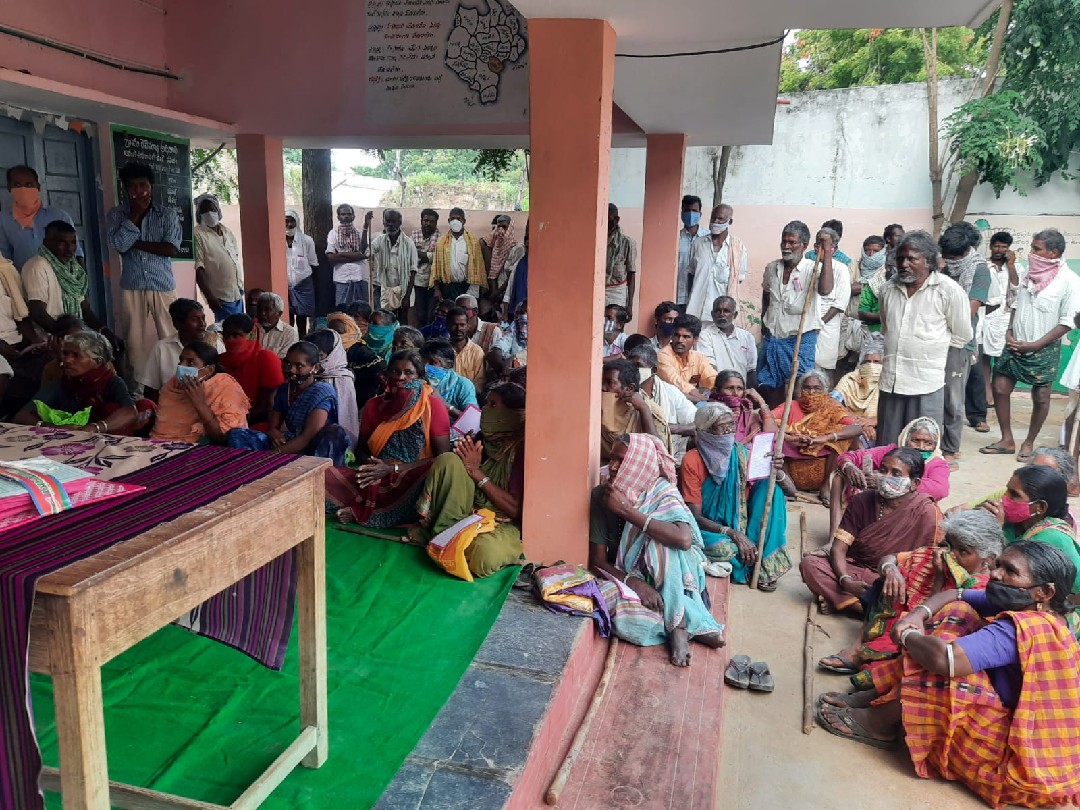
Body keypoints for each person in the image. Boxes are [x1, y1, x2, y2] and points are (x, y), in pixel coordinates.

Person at [816, 542, 1080, 810]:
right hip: (1012, 724)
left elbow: (946, 661)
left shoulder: (1025, 627)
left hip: (1016, 758)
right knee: (958, 614)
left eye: (1010, 571)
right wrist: (918, 615)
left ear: (1045, 591)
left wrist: (907, 634)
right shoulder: (1038, 609)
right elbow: (957, 595)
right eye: (998, 565)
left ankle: (878, 724)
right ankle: (883, 696)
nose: (995, 574)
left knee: (948, 669)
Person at [588, 434, 725, 667]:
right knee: (608, 601)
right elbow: (598, 562)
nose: (613, 466)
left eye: (621, 460)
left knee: (660, 544)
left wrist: (626, 511)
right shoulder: (602, 495)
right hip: (629, 578)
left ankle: (678, 626)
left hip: (677, 575)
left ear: (638, 464)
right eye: (611, 459)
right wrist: (634, 583)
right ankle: (692, 620)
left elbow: (683, 540)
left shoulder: (662, 491)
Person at [817, 509, 1001, 681]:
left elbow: (933, 623)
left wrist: (938, 577)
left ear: (988, 559)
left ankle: (884, 667)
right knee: (884, 582)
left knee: (883, 675)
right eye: (949, 546)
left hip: (922, 638)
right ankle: (856, 649)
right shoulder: (932, 556)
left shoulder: (983, 590)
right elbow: (890, 558)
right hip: (897, 620)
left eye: (963, 551)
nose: (951, 555)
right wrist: (890, 569)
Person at [800, 447, 942, 615]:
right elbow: (838, 548)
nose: (885, 477)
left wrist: (893, 575)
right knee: (810, 564)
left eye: (895, 474)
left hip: (893, 579)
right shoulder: (862, 500)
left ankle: (851, 607)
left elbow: (928, 565)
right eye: (883, 470)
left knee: (907, 593)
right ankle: (869, 610)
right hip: (857, 570)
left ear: (914, 484)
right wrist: (845, 580)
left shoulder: (927, 512)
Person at [412, 380, 527, 577]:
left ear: (512, 413)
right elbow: (455, 477)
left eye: (493, 405)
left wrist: (476, 472)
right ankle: (445, 534)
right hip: (469, 514)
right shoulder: (480, 439)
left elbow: (516, 510)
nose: (485, 409)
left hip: (503, 522)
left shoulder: (522, 450)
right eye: (486, 403)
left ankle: (449, 544)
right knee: (448, 461)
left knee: (484, 554)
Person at [325, 350, 451, 527]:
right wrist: (373, 467)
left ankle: (361, 509)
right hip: (378, 471)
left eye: (408, 373)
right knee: (324, 477)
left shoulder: (432, 406)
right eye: (395, 371)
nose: (401, 378)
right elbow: (361, 450)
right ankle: (368, 501)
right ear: (387, 374)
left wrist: (393, 469)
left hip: (414, 474)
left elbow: (443, 458)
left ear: (420, 377)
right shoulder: (374, 405)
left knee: (422, 480)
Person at [983, 230, 1074, 462]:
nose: (1031, 252)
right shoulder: (1028, 273)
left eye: (1036, 249)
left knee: (1041, 397)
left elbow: (1067, 322)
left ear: (1053, 252)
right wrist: (1009, 331)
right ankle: (1007, 439)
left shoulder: (1069, 280)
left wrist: (1034, 345)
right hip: (1015, 343)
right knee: (1000, 387)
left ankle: (1029, 442)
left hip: (1044, 348)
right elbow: (1015, 304)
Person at [680, 403, 791, 590]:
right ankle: (749, 555)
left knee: (772, 490)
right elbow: (695, 516)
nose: (729, 431)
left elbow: (791, 491)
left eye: (731, 425)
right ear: (707, 431)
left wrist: (777, 470)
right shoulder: (692, 460)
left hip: (743, 523)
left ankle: (763, 565)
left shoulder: (742, 454)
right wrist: (732, 533)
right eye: (722, 427)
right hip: (713, 529)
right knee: (725, 549)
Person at [877, 230, 971, 447]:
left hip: (926, 382)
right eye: (900, 258)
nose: (904, 264)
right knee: (888, 445)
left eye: (912, 259)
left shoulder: (948, 290)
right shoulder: (887, 289)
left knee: (922, 447)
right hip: (892, 381)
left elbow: (962, 335)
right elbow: (887, 328)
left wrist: (928, 353)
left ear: (928, 261)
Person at [106, 163, 181, 388]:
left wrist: (135, 243)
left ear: (152, 186)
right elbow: (119, 245)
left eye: (143, 185)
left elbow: (171, 248)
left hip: (162, 283)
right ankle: (137, 392)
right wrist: (136, 215)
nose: (139, 191)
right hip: (132, 284)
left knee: (171, 336)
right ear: (125, 189)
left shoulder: (167, 214)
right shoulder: (117, 215)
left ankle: (176, 388)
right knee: (133, 343)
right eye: (133, 187)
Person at [227, 341, 351, 463]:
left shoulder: (322, 391)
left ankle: (267, 464)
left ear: (315, 368)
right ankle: (257, 465)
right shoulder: (284, 389)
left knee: (334, 433)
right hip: (290, 443)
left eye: (299, 366)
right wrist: (274, 432)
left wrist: (272, 455)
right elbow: (273, 426)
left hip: (316, 450)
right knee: (237, 434)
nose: (291, 370)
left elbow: (307, 437)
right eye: (287, 364)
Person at [758, 221, 835, 408]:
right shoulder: (772, 268)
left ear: (804, 245)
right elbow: (767, 294)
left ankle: (796, 421)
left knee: (801, 386)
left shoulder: (813, 268)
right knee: (768, 385)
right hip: (773, 337)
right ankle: (774, 419)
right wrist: (763, 321)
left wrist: (826, 253)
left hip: (800, 338)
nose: (786, 246)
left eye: (792, 242)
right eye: (784, 241)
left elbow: (825, 290)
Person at [15, 330, 151, 435]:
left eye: (76, 355)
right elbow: (21, 416)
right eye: (65, 353)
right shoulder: (60, 383)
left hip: (102, 439)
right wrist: (55, 428)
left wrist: (94, 428)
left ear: (97, 361)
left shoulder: (111, 381)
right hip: (67, 439)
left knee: (136, 407)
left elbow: (130, 411)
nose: (68, 360)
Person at [831, 417, 950, 537]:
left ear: (935, 445)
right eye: (916, 440)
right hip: (881, 505)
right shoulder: (892, 453)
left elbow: (940, 490)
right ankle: (834, 536)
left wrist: (887, 482)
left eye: (928, 443)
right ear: (906, 438)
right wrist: (848, 466)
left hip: (910, 511)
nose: (921, 447)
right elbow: (853, 457)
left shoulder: (937, 463)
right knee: (840, 475)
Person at [938, 223, 992, 464]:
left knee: (952, 397)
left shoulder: (979, 269)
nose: (950, 261)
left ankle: (950, 448)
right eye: (946, 256)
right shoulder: (942, 266)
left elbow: (968, 311)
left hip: (960, 341)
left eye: (953, 257)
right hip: (935, 338)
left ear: (965, 251)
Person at [980, 465, 1080, 593]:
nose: (1003, 498)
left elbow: (1002, 574)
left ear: (1040, 507)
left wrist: (995, 531)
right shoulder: (1011, 523)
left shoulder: (1051, 536)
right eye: (1007, 491)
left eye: (1014, 495)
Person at [775, 370, 863, 502]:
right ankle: (788, 486)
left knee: (844, 436)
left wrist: (825, 437)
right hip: (792, 464)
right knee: (774, 435)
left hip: (824, 464)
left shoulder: (832, 407)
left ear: (825, 390)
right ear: (800, 390)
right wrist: (791, 437)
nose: (811, 392)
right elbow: (768, 419)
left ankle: (827, 486)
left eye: (817, 388)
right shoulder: (791, 405)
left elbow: (856, 428)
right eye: (807, 388)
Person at [21, 220, 111, 338]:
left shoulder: (73, 269)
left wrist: (105, 331)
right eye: (62, 243)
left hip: (73, 335)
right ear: (46, 243)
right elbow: (38, 313)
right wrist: (67, 336)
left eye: (73, 242)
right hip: (47, 338)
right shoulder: (37, 266)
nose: (70, 248)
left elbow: (84, 309)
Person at [150, 340, 249, 444]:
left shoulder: (225, 387)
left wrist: (200, 403)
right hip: (159, 443)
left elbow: (221, 438)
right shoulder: (172, 386)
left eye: (190, 362)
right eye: (181, 360)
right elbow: (161, 426)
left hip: (199, 447)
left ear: (209, 370)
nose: (181, 366)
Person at [138, 298, 222, 401]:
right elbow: (150, 390)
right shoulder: (162, 348)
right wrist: (170, 406)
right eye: (194, 320)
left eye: (203, 318)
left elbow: (224, 382)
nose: (202, 324)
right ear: (177, 324)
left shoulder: (215, 344)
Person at [0, 165, 81, 270]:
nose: (23, 190)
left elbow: (77, 254)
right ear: (9, 187)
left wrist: (82, 279)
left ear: (38, 187)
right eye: (17, 185)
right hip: (24, 278)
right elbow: (5, 260)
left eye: (29, 185)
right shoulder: (4, 220)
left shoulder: (59, 216)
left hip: (59, 278)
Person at [626, 343, 695, 459]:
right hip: (633, 453)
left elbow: (697, 424)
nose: (632, 371)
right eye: (630, 366)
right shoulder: (624, 392)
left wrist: (665, 428)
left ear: (653, 370)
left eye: (638, 366)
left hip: (671, 453)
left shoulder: (670, 392)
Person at [218, 313, 285, 427]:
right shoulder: (220, 360)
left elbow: (269, 404)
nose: (230, 340)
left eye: (236, 335)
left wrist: (240, 421)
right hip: (224, 421)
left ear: (251, 335)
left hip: (259, 423)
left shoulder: (266, 358)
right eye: (226, 336)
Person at [980, 231, 1021, 418]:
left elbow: (1016, 287)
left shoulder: (1016, 266)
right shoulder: (983, 265)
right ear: (991, 247)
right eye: (996, 246)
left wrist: (1010, 265)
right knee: (985, 356)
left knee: (1001, 357)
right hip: (986, 315)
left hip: (1006, 317)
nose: (1000, 250)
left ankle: (998, 391)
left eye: (1004, 247)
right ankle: (987, 393)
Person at [685, 204, 748, 322]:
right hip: (695, 309)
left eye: (720, 219)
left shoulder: (738, 249)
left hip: (720, 314)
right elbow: (691, 274)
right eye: (713, 218)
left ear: (730, 222)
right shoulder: (698, 244)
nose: (715, 222)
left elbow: (737, 281)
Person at [600, 358, 670, 458]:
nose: (602, 387)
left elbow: (658, 453)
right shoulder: (597, 406)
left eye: (609, 382)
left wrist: (644, 409)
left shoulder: (652, 412)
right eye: (601, 382)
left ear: (629, 389)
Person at [193, 194, 244, 321]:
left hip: (237, 293)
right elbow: (199, 268)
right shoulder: (198, 234)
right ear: (199, 214)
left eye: (212, 209)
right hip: (220, 298)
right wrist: (210, 297)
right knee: (226, 330)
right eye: (204, 210)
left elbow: (235, 257)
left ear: (218, 211)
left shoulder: (227, 231)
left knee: (240, 329)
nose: (209, 213)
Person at [809, 228, 851, 380]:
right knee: (805, 367)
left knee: (825, 368)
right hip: (807, 325)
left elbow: (840, 303)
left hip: (828, 325)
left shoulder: (841, 269)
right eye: (817, 245)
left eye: (826, 246)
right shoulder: (808, 266)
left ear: (834, 249)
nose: (820, 249)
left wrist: (819, 323)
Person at [305, 329, 360, 440]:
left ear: (333, 354)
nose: (316, 361)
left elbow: (345, 418)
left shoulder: (343, 379)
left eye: (320, 356)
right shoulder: (305, 374)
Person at [830, 333, 883, 440]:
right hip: (852, 423)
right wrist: (855, 419)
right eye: (867, 361)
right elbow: (832, 400)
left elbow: (894, 412)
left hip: (881, 425)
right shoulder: (851, 378)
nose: (871, 365)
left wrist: (873, 421)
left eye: (876, 362)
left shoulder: (887, 382)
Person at [696, 296, 757, 386]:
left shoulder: (747, 337)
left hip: (740, 390)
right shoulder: (705, 336)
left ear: (735, 315)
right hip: (715, 388)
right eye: (718, 311)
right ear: (712, 314)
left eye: (726, 311)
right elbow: (709, 367)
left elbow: (751, 369)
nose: (721, 314)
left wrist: (751, 390)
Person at [656, 314, 717, 404]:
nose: (680, 340)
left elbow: (712, 378)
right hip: (668, 404)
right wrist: (705, 400)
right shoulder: (663, 355)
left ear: (695, 340)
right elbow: (675, 382)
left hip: (692, 402)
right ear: (672, 336)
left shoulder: (699, 357)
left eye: (686, 337)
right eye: (677, 335)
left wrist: (723, 389)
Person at [432, 208, 488, 303]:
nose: (455, 221)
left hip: (466, 288)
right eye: (452, 219)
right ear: (449, 221)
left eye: (458, 219)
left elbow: (478, 268)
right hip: (446, 288)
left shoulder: (472, 241)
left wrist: (473, 292)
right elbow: (435, 268)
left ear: (464, 221)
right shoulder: (441, 242)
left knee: (464, 311)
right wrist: (437, 290)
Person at [371, 208, 418, 315]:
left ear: (400, 222)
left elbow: (413, 271)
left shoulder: (409, 244)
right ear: (383, 222)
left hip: (403, 289)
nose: (391, 224)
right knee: (383, 318)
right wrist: (365, 227)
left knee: (402, 319)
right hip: (385, 289)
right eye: (388, 221)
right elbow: (366, 252)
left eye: (394, 221)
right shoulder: (379, 240)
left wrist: (407, 296)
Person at [326, 204, 371, 311]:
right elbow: (331, 257)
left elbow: (364, 253)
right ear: (338, 217)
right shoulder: (333, 234)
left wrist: (340, 254)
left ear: (353, 216)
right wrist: (356, 256)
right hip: (342, 278)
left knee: (362, 311)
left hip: (360, 277)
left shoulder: (361, 233)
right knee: (342, 311)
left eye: (349, 214)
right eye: (343, 214)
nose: (346, 216)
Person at [422, 339, 478, 419]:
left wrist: (443, 404)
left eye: (433, 363)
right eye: (423, 363)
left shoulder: (463, 385)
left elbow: (472, 419)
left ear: (448, 365)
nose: (426, 367)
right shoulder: (419, 381)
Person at [285, 208, 319, 336]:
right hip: (284, 285)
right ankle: (289, 340)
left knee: (302, 317)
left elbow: (313, 263)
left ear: (297, 222)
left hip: (303, 285)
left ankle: (303, 340)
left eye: (292, 221)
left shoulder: (306, 240)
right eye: (286, 221)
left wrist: (304, 279)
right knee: (287, 317)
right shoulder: (277, 241)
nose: (289, 224)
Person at [605, 203, 638, 320]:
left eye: (609, 219)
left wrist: (630, 305)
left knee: (614, 325)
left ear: (616, 220)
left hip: (617, 292)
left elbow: (631, 274)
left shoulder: (627, 242)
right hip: (598, 289)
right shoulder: (597, 239)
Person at [411, 208, 441, 326]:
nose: (428, 224)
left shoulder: (441, 238)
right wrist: (428, 256)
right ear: (421, 221)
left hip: (433, 281)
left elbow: (438, 258)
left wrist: (419, 254)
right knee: (420, 314)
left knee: (432, 314)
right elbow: (409, 255)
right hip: (417, 281)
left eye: (432, 221)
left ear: (436, 223)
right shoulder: (414, 235)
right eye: (426, 220)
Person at [447, 305, 486, 389]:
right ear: (447, 325)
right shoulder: (441, 350)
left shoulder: (477, 352)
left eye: (462, 325)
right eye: (454, 325)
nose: (458, 329)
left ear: (467, 326)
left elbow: (479, 383)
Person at [677, 194, 705, 305]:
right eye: (687, 210)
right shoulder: (675, 238)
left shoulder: (707, 239)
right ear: (682, 213)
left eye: (694, 211)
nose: (690, 214)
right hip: (679, 295)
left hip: (701, 296)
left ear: (700, 214)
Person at [483, 214, 518, 300]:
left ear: (510, 228)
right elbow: (493, 274)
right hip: (496, 294)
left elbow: (513, 276)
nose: (501, 231)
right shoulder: (495, 248)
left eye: (504, 227)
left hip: (508, 294)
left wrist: (496, 293)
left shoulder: (516, 249)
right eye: (499, 227)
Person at [254, 292, 300, 358]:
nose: (262, 313)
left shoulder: (289, 333)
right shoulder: (250, 329)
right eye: (259, 309)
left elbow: (285, 360)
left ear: (279, 313)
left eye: (267, 310)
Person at [501, 225, 529, 323]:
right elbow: (509, 290)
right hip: (519, 313)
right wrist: (505, 314)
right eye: (527, 247)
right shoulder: (519, 264)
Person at [491, 299, 527, 369]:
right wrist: (496, 350)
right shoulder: (515, 327)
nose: (524, 316)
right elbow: (501, 345)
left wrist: (512, 360)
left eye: (527, 312)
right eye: (522, 312)